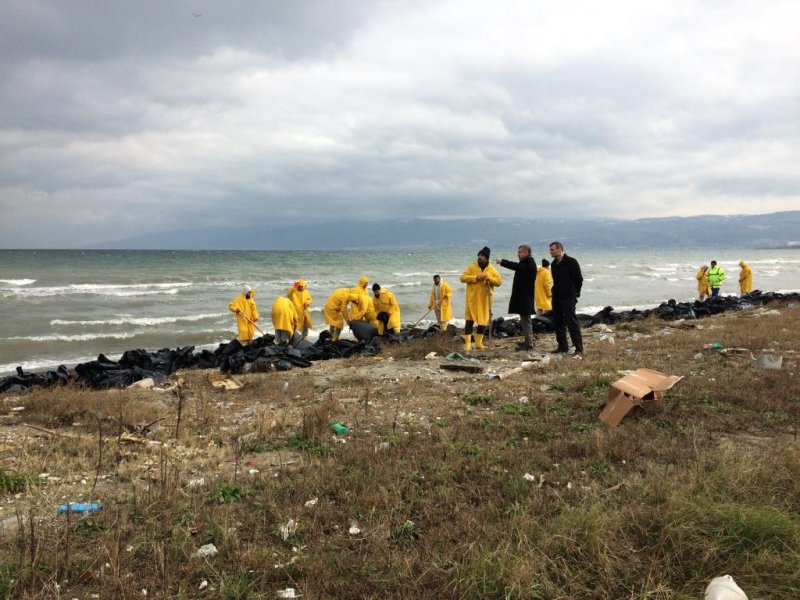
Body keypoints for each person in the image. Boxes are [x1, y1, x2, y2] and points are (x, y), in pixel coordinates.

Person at [459, 246, 502, 351]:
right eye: (479, 255)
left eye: (482, 256)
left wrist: (489, 278)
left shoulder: (491, 269)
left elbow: (499, 282)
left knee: (483, 321)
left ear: (487, 258)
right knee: (469, 321)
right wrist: (475, 277)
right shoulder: (472, 267)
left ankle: (478, 343)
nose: (479, 257)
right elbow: (462, 278)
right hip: (472, 299)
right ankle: (468, 345)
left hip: (485, 299)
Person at [495, 245, 537, 351]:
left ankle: (529, 344)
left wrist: (502, 261)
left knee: (526, 320)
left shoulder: (528, 262)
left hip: (525, 296)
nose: (518, 254)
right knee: (525, 320)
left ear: (526, 252)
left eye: (520, 252)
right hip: (525, 296)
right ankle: (529, 341)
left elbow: (517, 266)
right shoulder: (528, 261)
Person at [548, 241, 583, 355]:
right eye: (550, 250)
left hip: (568, 296)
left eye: (552, 250)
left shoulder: (571, 262)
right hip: (557, 296)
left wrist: (576, 292)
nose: (550, 252)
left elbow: (578, 279)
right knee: (558, 322)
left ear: (559, 249)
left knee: (571, 322)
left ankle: (578, 348)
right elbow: (556, 280)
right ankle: (562, 347)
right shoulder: (553, 264)